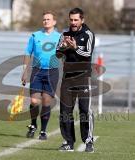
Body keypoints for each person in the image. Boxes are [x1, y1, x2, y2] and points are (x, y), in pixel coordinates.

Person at [56, 8, 95, 152]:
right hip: (67, 78)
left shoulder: (88, 34)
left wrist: (75, 47)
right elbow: (58, 54)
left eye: (76, 20)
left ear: (82, 20)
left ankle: (89, 141)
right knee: (65, 111)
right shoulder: (64, 34)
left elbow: (87, 53)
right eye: (71, 20)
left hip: (83, 77)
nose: (73, 22)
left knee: (85, 110)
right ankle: (68, 142)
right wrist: (64, 47)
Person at [22, 11, 61, 140]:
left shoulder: (60, 37)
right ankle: (33, 125)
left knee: (46, 100)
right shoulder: (35, 36)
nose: (46, 21)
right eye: (44, 19)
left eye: (48, 19)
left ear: (54, 22)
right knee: (34, 101)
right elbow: (28, 52)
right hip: (37, 71)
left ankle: (43, 131)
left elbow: (65, 54)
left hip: (52, 72)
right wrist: (25, 70)